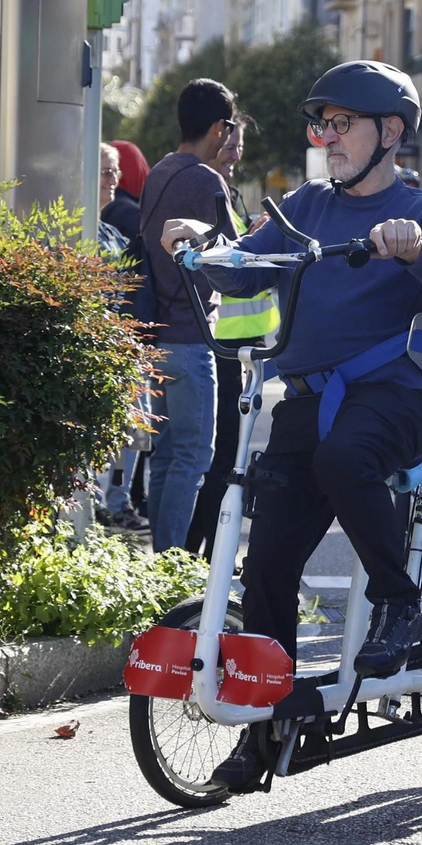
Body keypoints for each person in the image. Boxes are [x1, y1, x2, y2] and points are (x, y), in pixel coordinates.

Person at [161, 60, 422, 792]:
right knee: (266, 561)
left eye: (342, 124)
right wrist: (203, 244)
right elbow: (247, 265)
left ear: (389, 131)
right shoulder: (306, 204)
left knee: (345, 457)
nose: (327, 137)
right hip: (305, 402)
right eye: (322, 125)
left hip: (389, 398)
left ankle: (400, 605)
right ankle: (269, 733)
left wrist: (416, 249)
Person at [140, 79, 236, 552]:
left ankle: (158, 562)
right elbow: (239, 257)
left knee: (167, 456)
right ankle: (172, 562)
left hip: (159, 336)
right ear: (218, 127)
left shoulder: (159, 172)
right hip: (194, 337)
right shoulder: (205, 178)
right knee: (195, 457)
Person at [186, 116, 281, 559]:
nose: (236, 153)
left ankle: (201, 556)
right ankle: (196, 557)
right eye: (231, 145)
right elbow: (224, 257)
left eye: (240, 146)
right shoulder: (208, 187)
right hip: (225, 343)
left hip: (245, 345)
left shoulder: (224, 189)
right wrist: (255, 238)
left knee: (226, 455)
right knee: (223, 457)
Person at [93, 143, 148, 531]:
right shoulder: (75, 229)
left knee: (131, 432)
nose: (114, 180)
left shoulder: (111, 231)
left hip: (121, 346)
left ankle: (116, 501)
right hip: (94, 347)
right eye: (105, 172)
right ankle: (97, 503)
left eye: (115, 171)